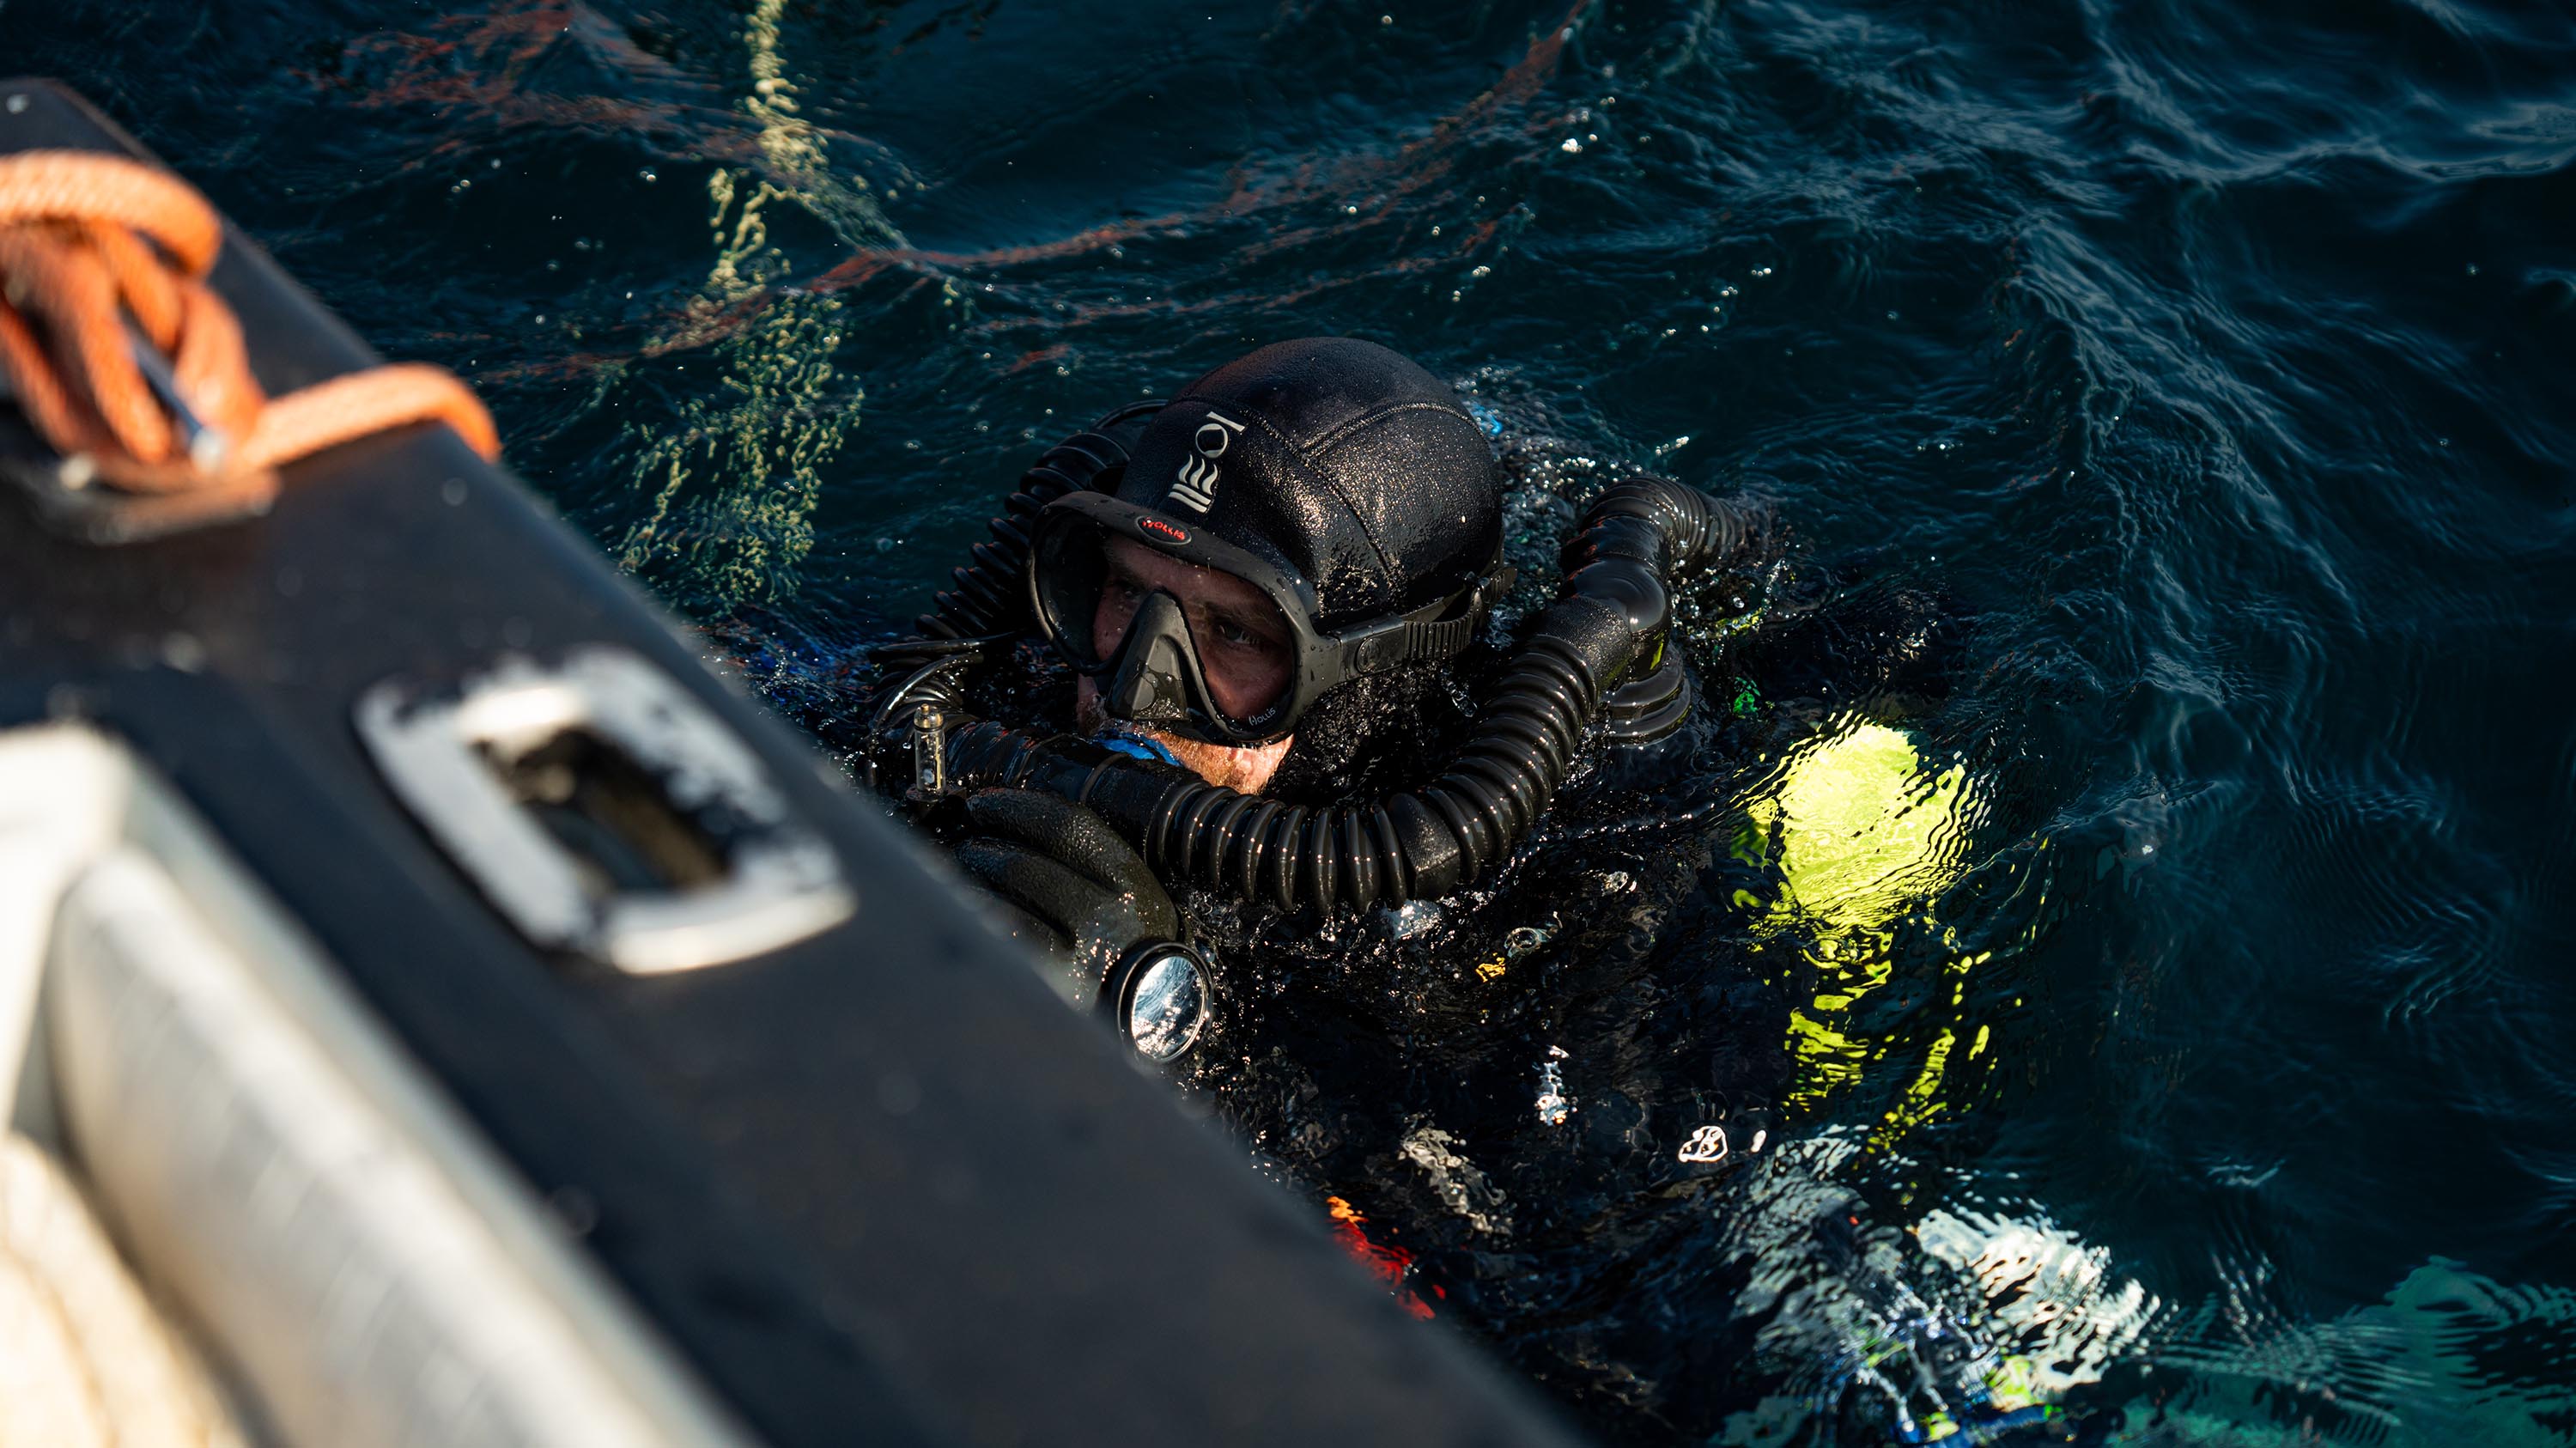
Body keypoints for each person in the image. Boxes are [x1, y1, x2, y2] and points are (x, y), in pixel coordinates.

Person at [928, 336, 1515, 1013]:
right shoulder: (995, 690)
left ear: (1367, 682)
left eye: (1237, 632)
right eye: (1126, 589)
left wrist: (1160, 1013)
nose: (1134, 690)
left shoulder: (1456, 905)